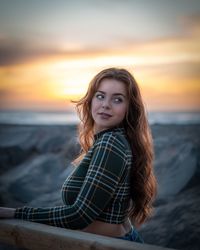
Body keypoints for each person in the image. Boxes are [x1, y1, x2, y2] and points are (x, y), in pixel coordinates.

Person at [0, 67, 157, 243]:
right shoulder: (112, 140)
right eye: (100, 96)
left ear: (129, 108)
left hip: (112, 246)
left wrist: (14, 213)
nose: (106, 104)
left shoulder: (110, 143)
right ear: (90, 100)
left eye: (117, 99)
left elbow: (79, 215)